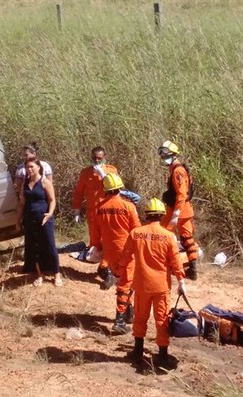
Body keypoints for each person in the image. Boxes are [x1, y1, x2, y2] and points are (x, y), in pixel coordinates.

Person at [117, 198, 186, 366]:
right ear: (162, 216)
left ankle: (138, 351)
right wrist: (181, 281)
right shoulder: (169, 237)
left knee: (140, 317)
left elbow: (125, 256)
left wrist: (119, 273)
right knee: (162, 319)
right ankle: (162, 355)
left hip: (141, 285)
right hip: (161, 286)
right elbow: (176, 262)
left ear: (146, 215)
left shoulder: (136, 234)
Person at [91, 173, 141, 334]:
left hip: (110, 251)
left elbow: (95, 232)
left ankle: (128, 313)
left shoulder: (99, 208)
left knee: (125, 281)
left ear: (105, 189)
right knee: (126, 284)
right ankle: (119, 321)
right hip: (126, 250)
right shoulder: (128, 207)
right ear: (120, 188)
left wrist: (97, 247)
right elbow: (136, 231)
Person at [72, 146, 119, 289]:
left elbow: (117, 189)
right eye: (94, 158)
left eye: (99, 158)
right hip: (93, 214)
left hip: (108, 212)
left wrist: (103, 174)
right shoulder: (86, 173)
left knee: (107, 241)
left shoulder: (111, 170)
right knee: (95, 243)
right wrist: (76, 210)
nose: (97, 160)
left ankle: (107, 271)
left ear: (104, 158)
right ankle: (103, 268)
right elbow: (79, 192)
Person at [16, 159, 62, 287]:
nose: (29, 169)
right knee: (34, 247)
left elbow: (52, 200)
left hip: (44, 219)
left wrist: (50, 213)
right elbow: (21, 204)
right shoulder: (25, 184)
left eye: (31, 167)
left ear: (38, 168)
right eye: (27, 167)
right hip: (29, 219)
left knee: (50, 245)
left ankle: (56, 274)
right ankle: (39, 274)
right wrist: (18, 220)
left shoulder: (45, 182)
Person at [158, 140, 199, 281]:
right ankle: (193, 269)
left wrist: (176, 213)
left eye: (165, 156)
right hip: (185, 210)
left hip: (177, 210)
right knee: (187, 239)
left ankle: (162, 265)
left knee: (162, 235)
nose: (163, 159)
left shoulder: (177, 171)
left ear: (173, 155)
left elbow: (181, 193)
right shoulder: (179, 169)